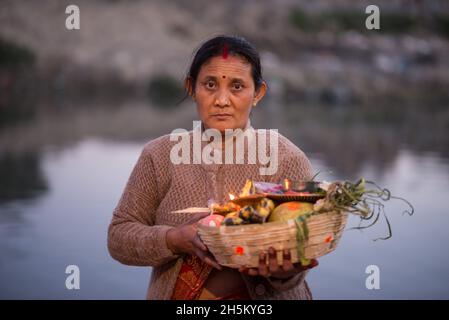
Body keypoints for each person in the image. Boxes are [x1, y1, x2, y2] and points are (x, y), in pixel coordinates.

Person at [107, 35, 318, 300]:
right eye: (209, 84)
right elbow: (118, 237)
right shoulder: (159, 156)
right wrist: (175, 239)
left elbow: (304, 245)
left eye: (237, 86)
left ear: (258, 93)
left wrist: (285, 270)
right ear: (191, 88)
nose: (221, 100)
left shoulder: (287, 159)